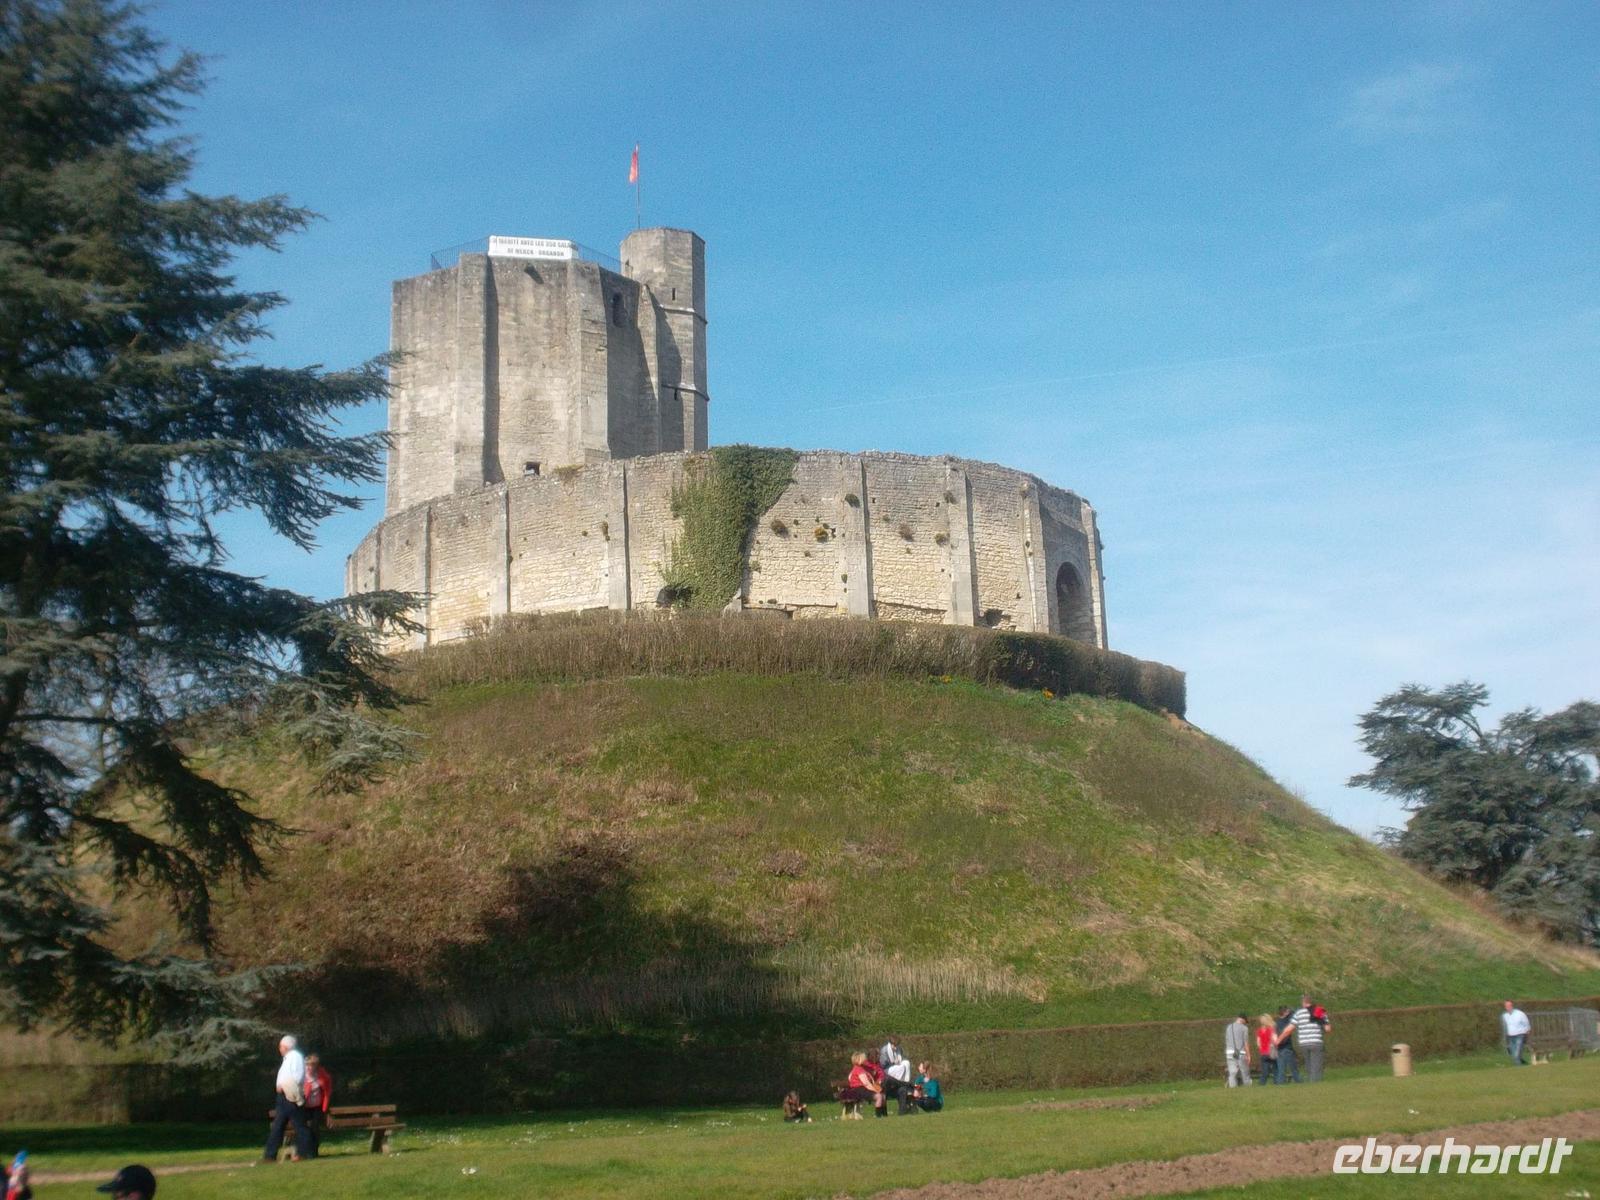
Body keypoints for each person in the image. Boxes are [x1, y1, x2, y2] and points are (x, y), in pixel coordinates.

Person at [262, 1034, 311, 1163]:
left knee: (299, 1125)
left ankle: (303, 1153)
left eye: (281, 1046)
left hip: (290, 1096)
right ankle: (270, 1155)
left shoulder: (295, 1057)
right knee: (278, 1126)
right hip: (283, 1097)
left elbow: (298, 1077)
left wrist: (285, 1087)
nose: (279, 1049)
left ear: (286, 1046)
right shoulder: (288, 1058)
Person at [1291, 994, 1330, 1082]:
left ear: (1303, 1002)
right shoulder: (1319, 1010)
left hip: (1303, 1043)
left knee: (1308, 1064)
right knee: (1317, 1065)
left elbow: (1291, 1027)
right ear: (1311, 1001)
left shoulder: (1298, 1013)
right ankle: (1316, 1082)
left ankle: (1310, 1081)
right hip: (1316, 1041)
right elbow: (1327, 1029)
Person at [303, 1052, 333, 1156]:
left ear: (316, 1066)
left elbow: (327, 1092)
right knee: (306, 1128)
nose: (309, 1067)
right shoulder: (302, 1076)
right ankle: (305, 1151)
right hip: (304, 1107)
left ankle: (314, 1151)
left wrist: (325, 1109)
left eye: (311, 1065)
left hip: (317, 1107)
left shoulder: (322, 1075)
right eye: (307, 1065)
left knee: (315, 1129)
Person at [837, 1051, 882, 1119]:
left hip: (860, 1089)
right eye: (863, 1058)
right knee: (879, 1096)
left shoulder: (859, 1068)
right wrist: (875, 1090)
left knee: (882, 1096)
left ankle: (882, 1115)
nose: (865, 1060)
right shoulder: (859, 1069)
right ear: (858, 1059)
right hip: (859, 1090)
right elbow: (866, 1084)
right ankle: (878, 1116)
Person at [1274, 1006, 1302, 1084]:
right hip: (1287, 1047)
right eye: (1287, 1011)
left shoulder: (1276, 1023)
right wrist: (1291, 1010)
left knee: (1281, 1068)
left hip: (1279, 1048)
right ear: (1285, 1013)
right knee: (1293, 1067)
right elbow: (1295, 1012)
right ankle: (1298, 1081)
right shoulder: (1286, 1022)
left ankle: (1280, 1082)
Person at [1224, 1013, 1253, 1087]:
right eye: (1245, 1022)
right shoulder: (1244, 1028)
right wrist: (1249, 1055)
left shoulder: (1229, 1027)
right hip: (1241, 1052)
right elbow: (1246, 1043)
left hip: (1229, 1052)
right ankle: (1247, 1086)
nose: (1245, 1023)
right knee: (1244, 1071)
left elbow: (1227, 1040)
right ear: (1243, 1020)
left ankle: (1232, 1087)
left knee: (1232, 1072)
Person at [1503, 1000, 1532, 1065]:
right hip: (1511, 1036)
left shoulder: (1520, 1014)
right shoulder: (1505, 1016)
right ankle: (1523, 1062)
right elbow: (1506, 1026)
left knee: (1517, 1052)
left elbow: (1526, 1022)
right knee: (1514, 1053)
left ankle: (1519, 1066)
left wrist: (1527, 1030)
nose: (1508, 1007)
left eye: (1509, 1005)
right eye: (1506, 1006)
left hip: (1520, 1035)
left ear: (1512, 1006)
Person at [1255, 1013, 1278, 1085]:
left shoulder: (1259, 1030)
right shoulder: (1271, 1030)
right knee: (1275, 1069)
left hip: (1263, 1053)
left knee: (1264, 1071)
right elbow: (1275, 1040)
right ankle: (1276, 1083)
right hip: (1271, 1052)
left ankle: (1262, 1083)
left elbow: (1258, 1043)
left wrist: (1262, 1049)